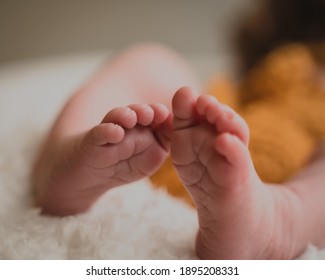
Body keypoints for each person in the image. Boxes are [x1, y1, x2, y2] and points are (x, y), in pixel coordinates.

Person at [31, 0, 325, 259]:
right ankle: (71, 153)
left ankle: (279, 222)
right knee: (155, 62)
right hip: (203, 127)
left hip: (295, 170)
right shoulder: (273, 57)